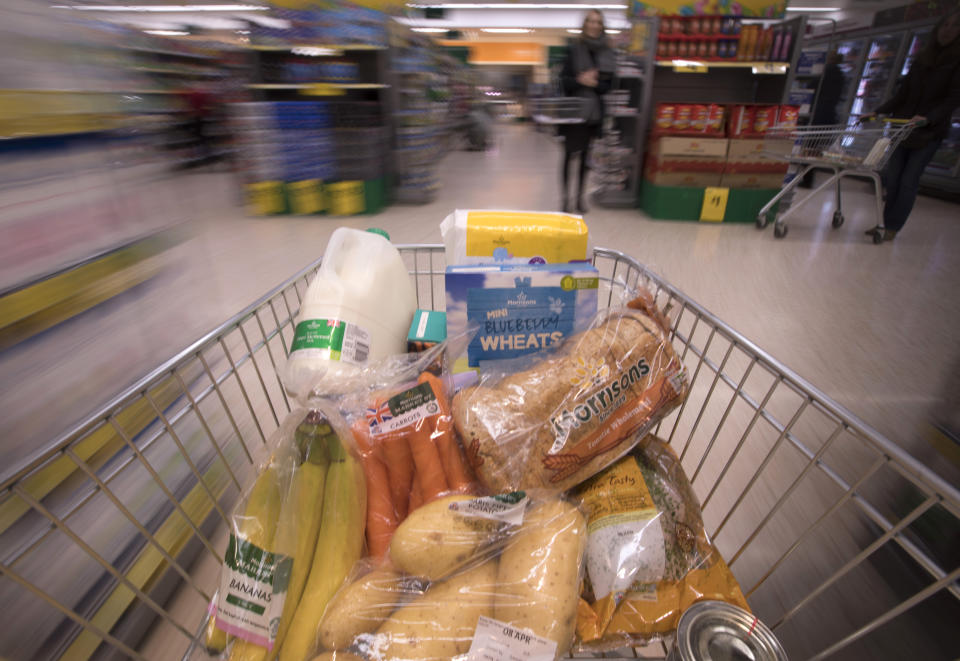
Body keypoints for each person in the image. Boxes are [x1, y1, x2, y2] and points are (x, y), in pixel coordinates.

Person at [863, 9, 960, 242]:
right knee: (892, 178)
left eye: (954, 26)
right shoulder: (922, 59)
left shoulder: (956, 63)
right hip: (902, 128)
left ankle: (892, 226)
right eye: (945, 25)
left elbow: (953, 99)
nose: (948, 30)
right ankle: (882, 223)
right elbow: (902, 94)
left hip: (928, 132)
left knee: (908, 181)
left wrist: (928, 118)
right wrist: (878, 111)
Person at [559, 9, 615, 213]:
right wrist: (579, 80)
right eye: (591, 21)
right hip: (573, 113)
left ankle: (579, 199)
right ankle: (565, 199)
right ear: (585, 24)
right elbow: (563, 82)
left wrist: (593, 84)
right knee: (567, 156)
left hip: (593, 115)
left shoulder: (607, 53)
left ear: (602, 26)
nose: (594, 25)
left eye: (598, 22)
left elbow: (608, 87)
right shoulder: (573, 50)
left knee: (585, 158)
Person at [799, 50, 845, 188]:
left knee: (809, 148)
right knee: (816, 149)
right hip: (829, 116)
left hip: (817, 115)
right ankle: (809, 176)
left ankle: (807, 178)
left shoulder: (824, 73)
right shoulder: (841, 75)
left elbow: (810, 88)